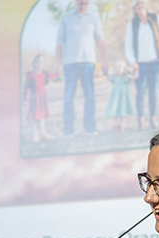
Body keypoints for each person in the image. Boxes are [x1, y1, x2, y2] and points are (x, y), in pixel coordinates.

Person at [56, 0, 108, 136]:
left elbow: (100, 40)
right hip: (70, 63)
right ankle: (68, 129)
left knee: (90, 97)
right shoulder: (66, 18)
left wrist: (104, 60)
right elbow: (59, 41)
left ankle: (90, 128)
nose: (83, 2)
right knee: (68, 97)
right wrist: (58, 62)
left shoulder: (94, 18)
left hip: (88, 63)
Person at [124, 1, 159, 130]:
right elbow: (128, 46)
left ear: (146, 6)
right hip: (140, 64)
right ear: (134, 8)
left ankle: (153, 119)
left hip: (156, 61)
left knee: (153, 91)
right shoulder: (132, 24)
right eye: (137, 6)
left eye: (142, 5)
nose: (140, 8)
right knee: (140, 92)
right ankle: (140, 121)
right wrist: (132, 61)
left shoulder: (156, 19)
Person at [25, 54, 54, 141]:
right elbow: (26, 87)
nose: (39, 64)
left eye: (41, 62)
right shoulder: (30, 74)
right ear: (34, 63)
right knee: (36, 116)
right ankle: (35, 134)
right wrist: (24, 98)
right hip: (35, 98)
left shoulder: (44, 74)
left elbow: (53, 75)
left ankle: (42, 134)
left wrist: (59, 71)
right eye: (37, 62)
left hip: (42, 98)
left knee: (42, 116)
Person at [105, 60, 138, 132]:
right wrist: (106, 70)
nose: (118, 69)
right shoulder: (114, 77)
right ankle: (115, 124)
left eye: (120, 67)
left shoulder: (126, 76)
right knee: (115, 110)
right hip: (115, 98)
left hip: (123, 98)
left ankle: (122, 125)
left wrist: (136, 69)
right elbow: (107, 77)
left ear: (124, 69)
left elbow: (136, 77)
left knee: (123, 111)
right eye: (116, 67)